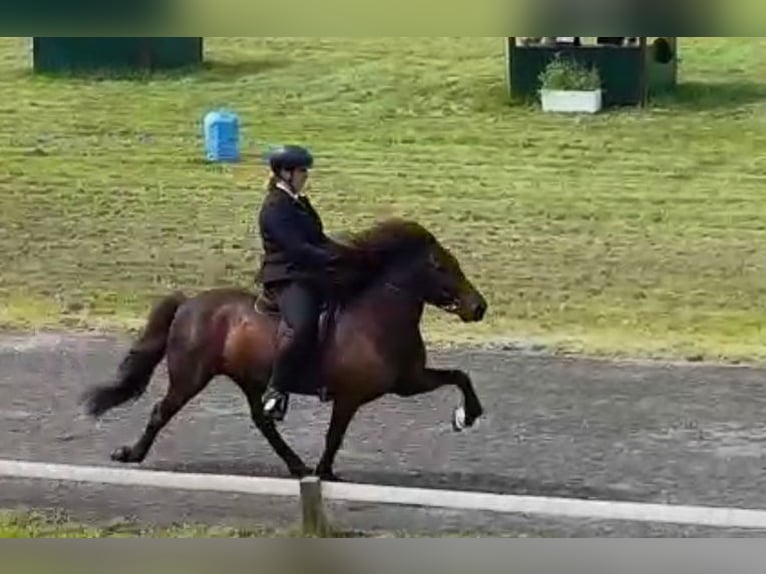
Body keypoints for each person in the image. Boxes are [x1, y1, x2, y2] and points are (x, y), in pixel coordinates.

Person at [255, 144, 356, 421]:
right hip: (287, 277)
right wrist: (330, 259)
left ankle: (329, 374)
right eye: (302, 171)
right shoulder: (275, 207)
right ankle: (276, 391)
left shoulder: (300, 202)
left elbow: (318, 239)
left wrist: (348, 255)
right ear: (285, 173)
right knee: (303, 325)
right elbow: (297, 249)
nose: (305, 176)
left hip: (310, 272)